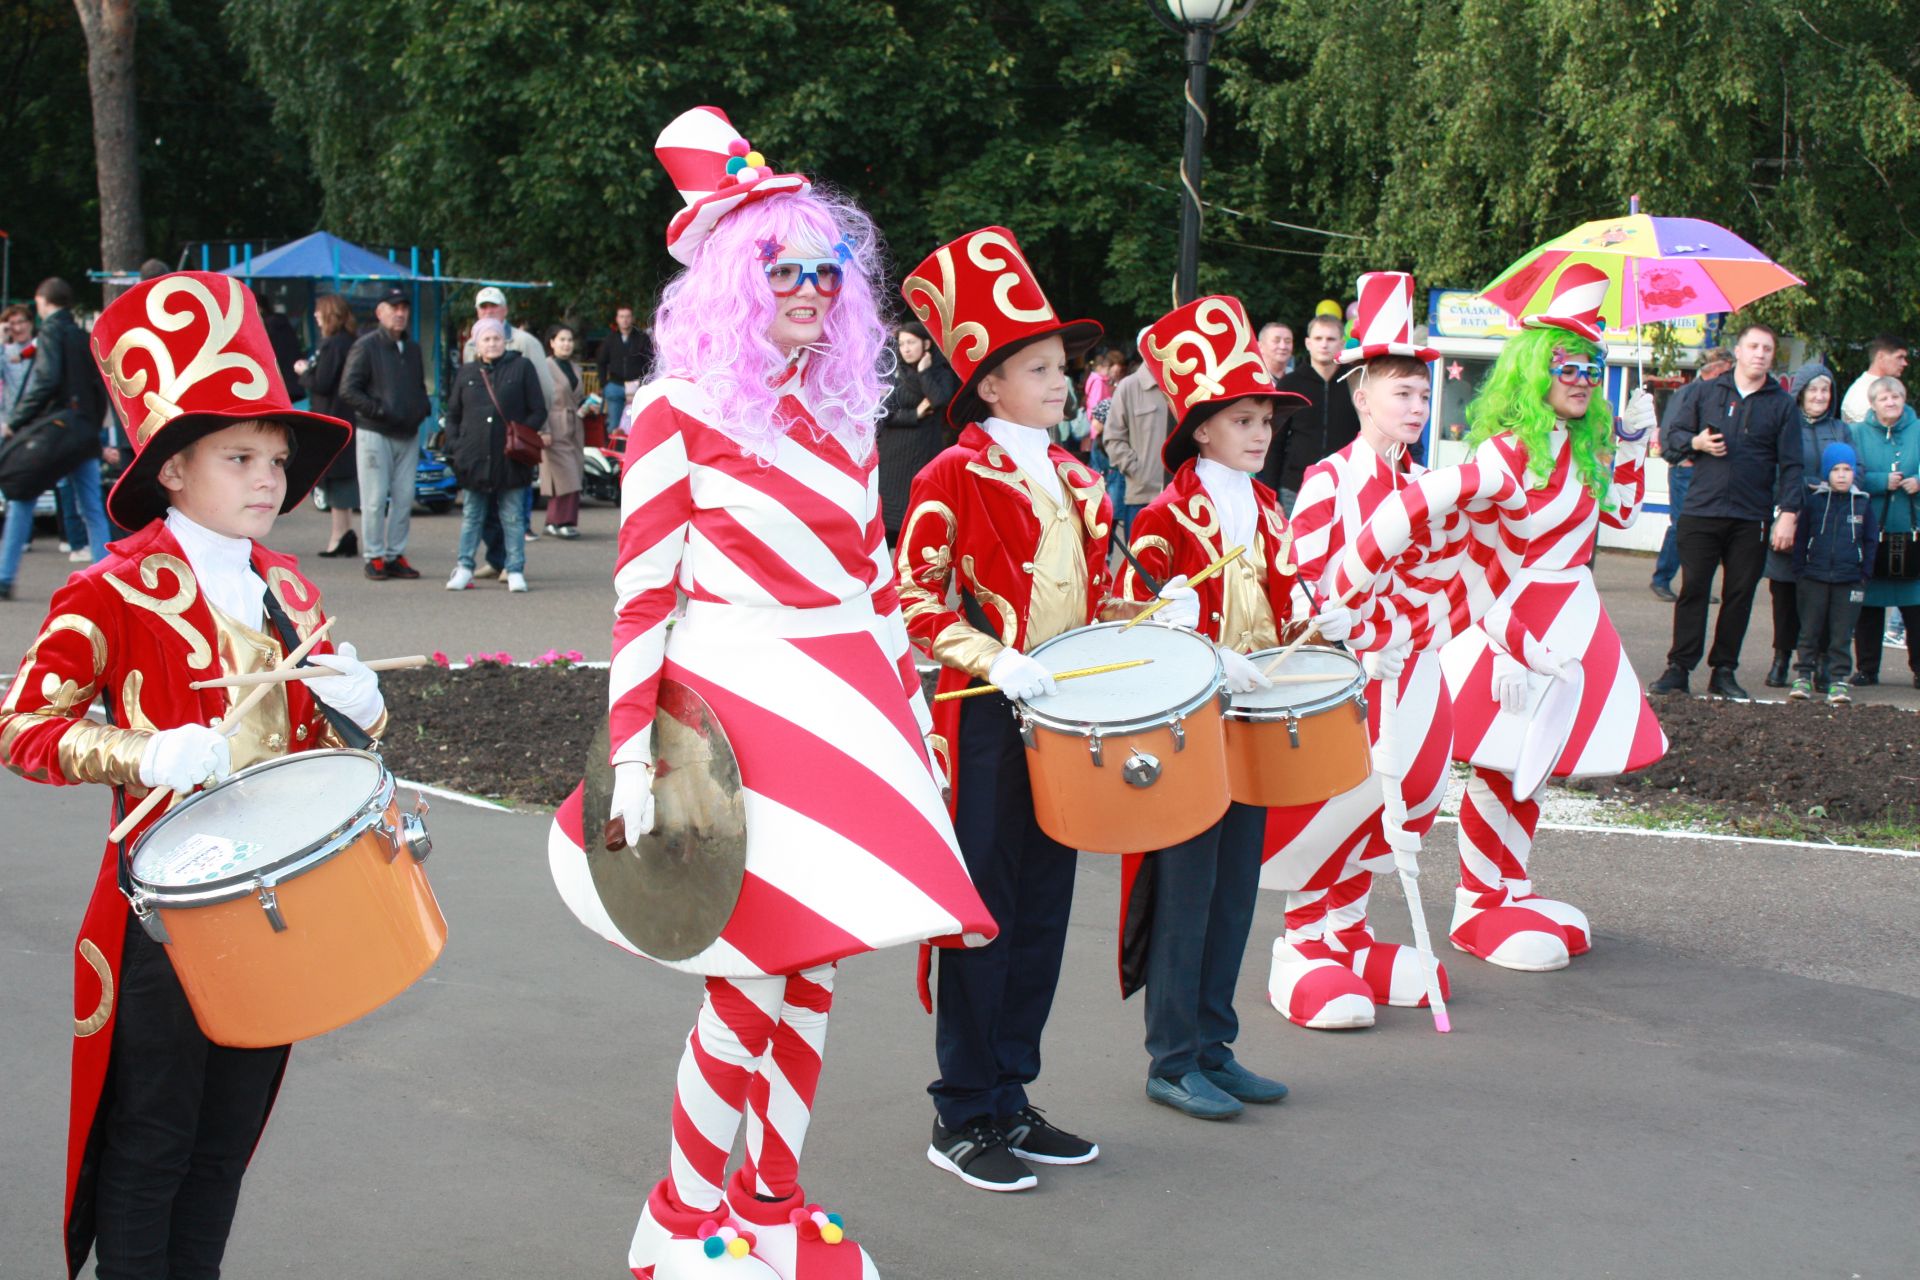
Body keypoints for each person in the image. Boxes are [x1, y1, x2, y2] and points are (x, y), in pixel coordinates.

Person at [545, 106, 992, 1280]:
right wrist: (632, 754)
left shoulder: (848, 411)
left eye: (825, 268)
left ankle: (774, 1196)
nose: (808, 288)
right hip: (737, 709)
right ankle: (680, 1217)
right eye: (781, 268)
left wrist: (909, 721)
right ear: (734, 283)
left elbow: (876, 578)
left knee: (818, 966)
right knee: (747, 979)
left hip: (844, 705)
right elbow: (642, 597)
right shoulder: (675, 409)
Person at [0, 269, 387, 1279]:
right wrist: (140, 751)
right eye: (240, 455)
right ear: (172, 468)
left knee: (224, 1146)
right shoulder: (111, 589)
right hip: (161, 917)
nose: (270, 476)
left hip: (276, 906)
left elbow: (321, 749)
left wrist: (359, 707)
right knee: (151, 1145)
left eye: (277, 456)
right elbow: (25, 723)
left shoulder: (289, 584)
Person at [899, 224, 1165, 1191]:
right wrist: (994, 658)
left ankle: (1013, 1094)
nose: (1065, 382)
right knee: (985, 913)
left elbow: (1097, 608)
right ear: (991, 384)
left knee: (1047, 911)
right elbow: (913, 599)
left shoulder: (1085, 481)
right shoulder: (949, 476)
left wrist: (1156, 612)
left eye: (1064, 366)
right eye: (1043, 367)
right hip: (985, 720)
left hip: (1068, 728)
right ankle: (962, 1110)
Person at [1116, 295, 1313, 1116]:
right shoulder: (1165, 516)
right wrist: (1196, 644)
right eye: (1242, 418)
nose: (1261, 432)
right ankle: (1171, 1057)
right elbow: (1128, 615)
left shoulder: (1268, 509)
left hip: (1254, 727)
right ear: (1201, 429)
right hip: (1189, 734)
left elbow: (1284, 598)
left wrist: (1316, 619)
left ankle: (1215, 1043)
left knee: (1236, 891)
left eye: (1265, 416)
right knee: (1186, 895)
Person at [1443, 267, 1666, 970]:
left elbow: (1624, 516)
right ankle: (1476, 904)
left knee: (1534, 766)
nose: (1582, 377)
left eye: (1593, 366)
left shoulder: (1581, 449)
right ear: (1535, 369)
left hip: (1570, 615)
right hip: (1510, 624)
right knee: (1498, 765)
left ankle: (1513, 886)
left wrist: (1630, 446)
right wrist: (1501, 645)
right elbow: (1470, 557)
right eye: (1568, 364)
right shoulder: (1503, 453)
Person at [1263, 271, 1470, 1025]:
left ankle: (1351, 938)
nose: (1415, 407)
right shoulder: (1328, 479)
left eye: (1422, 394)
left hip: (1414, 677)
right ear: (1361, 396)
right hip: (1345, 683)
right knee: (1336, 807)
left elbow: (1450, 582)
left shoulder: (1431, 486)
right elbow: (1307, 585)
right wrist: (1352, 630)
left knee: (1397, 811)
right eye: (1400, 392)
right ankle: (1304, 946)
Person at [1649, 323, 1803, 700]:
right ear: (1738, 351)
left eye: (1767, 348)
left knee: (1739, 593)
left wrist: (1789, 513)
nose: (1761, 354)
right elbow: (1671, 443)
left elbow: (1794, 464)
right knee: (1694, 590)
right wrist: (1696, 441)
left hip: (1752, 516)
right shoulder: (1703, 392)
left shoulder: (1781, 404)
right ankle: (1679, 668)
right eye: (1753, 346)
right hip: (1702, 510)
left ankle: (1724, 670)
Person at [1, 278, 115, 600]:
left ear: (43, 301)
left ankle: (5, 574)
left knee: (23, 494)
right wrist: (92, 427)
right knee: (92, 506)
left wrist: (18, 421)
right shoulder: (82, 336)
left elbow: (47, 380)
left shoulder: (50, 331)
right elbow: (97, 387)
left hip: (56, 433)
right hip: (83, 433)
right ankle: (105, 575)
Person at [1760, 362, 1849, 686]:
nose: (1820, 395)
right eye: (1813, 389)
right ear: (1800, 392)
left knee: (1825, 594)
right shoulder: (1786, 424)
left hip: (1829, 524)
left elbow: (1856, 470)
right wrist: (1796, 497)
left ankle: (1820, 660)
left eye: (1825, 389)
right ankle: (1782, 657)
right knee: (1783, 594)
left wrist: (1826, 486)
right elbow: (1777, 470)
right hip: (1790, 518)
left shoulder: (1841, 430)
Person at [443, 317, 544, 593]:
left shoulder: (522, 367)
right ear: (477, 344)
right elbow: (453, 413)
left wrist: (521, 433)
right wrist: (455, 444)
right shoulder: (467, 372)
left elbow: (538, 409)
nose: (492, 343)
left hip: (511, 457)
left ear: (505, 340)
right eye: (486, 339)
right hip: (473, 457)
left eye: (497, 338)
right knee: (472, 515)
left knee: (512, 516)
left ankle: (515, 569)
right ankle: (464, 567)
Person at [339, 287, 430, 581]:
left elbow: (417, 386)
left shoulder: (412, 349)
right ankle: (374, 556)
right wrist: (379, 410)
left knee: (404, 498)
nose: (400, 313)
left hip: (408, 432)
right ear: (380, 312)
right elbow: (348, 389)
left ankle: (395, 555)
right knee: (375, 498)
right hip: (375, 432)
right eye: (394, 308)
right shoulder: (366, 346)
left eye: (404, 307)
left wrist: (422, 408)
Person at [1790, 442, 1877, 703]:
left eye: (1847, 469)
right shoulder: (1815, 503)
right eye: (1836, 469)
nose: (1841, 474)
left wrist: (1865, 574)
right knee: (1809, 630)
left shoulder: (1862, 504)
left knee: (1841, 633)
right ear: (1826, 472)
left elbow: (1871, 541)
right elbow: (1801, 536)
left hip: (1850, 580)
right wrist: (1800, 571)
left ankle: (1838, 680)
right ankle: (1803, 676)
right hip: (1813, 577)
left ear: (1854, 473)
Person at [1849, 376, 1920, 686]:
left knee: (1915, 607)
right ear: (1873, 403)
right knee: (1870, 605)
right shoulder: (1857, 434)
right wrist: (1880, 481)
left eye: (1896, 396)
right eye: (1883, 398)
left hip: (1912, 531)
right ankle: (1867, 668)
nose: (1890, 402)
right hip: (1871, 530)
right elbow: (1848, 474)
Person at [1649, 350, 1731, 601]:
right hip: (1686, 470)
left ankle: (1695, 585)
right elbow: (1669, 435)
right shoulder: (1688, 393)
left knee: (1701, 529)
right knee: (1683, 526)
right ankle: (1662, 579)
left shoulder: (1716, 395)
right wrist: (1682, 458)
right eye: (1728, 372)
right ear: (1717, 371)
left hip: (1704, 471)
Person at [1267, 313, 1363, 510]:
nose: (1324, 344)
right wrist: (1271, 494)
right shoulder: (1290, 384)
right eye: (1318, 339)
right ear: (1308, 343)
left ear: (1342, 344)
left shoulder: (1355, 383)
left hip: (1346, 485)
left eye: (1330, 339)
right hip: (1295, 487)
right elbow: (1274, 441)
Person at [298, 293, 361, 557]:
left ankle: (338, 536)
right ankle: (345, 533)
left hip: (331, 417)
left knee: (333, 477)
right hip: (348, 416)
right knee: (341, 476)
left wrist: (304, 372)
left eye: (318, 311)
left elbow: (322, 383)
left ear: (329, 315)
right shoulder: (352, 342)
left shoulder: (331, 345)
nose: (315, 316)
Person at [876, 323, 941, 543]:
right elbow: (881, 413)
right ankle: (882, 577)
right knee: (884, 525)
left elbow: (940, 399)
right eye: (902, 343)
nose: (906, 348)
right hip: (891, 458)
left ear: (926, 343)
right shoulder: (892, 375)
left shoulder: (939, 372)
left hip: (922, 455)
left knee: (915, 526)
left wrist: (924, 372)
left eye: (911, 342)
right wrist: (915, 414)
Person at [1102, 334, 1173, 533]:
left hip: (1183, 497)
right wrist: (1138, 471)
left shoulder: (1181, 386)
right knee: (1140, 562)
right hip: (1142, 497)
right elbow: (1113, 438)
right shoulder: (1128, 387)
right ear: (1142, 350)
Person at [540, 322, 587, 538]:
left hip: (575, 423)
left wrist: (589, 405)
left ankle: (556, 521)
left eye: (569, 340)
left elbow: (577, 397)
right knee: (563, 474)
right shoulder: (545, 367)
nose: (566, 344)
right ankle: (561, 521)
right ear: (552, 343)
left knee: (574, 470)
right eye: (562, 340)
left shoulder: (576, 367)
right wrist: (543, 429)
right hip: (554, 423)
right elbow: (541, 399)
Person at [595, 303, 653, 434]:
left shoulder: (642, 338)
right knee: (614, 425)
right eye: (621, 316)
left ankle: (632, 454)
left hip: (636, 387)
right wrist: (604, 384)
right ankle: (613, 453)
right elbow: (601, 362)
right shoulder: (610, 339)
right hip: (615, 386)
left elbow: (650, 362)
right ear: (617, 319)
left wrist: (646, 383)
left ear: (632, 318)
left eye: (627, 316)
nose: (625, 320)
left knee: (635, 425)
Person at [1840, 334, 1908, 425]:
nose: (1905, 363)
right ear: (1880, 356)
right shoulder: (1862, 393)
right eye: (1899, 357)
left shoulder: (1882, 387)